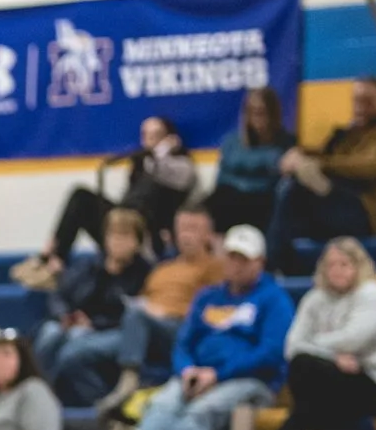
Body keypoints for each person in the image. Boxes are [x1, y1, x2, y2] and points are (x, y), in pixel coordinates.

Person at [108, 223, 295, 430]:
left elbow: (270, 353)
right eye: (232, 257)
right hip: (200, 372)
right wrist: (187, 370)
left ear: (259, 262)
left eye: (244, 259)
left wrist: (217, 375)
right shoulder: (208, 297)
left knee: (204, 410)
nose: (236, 265)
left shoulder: (274, 299)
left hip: (251, 381)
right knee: (165, 401)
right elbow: (184, 342)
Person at [15, 115, 194, 286]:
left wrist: (162, 152)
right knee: (81, 196)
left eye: (156, 136)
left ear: (170, 138)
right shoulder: (140, 165)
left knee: (132, 211)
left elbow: (161, 171)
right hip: (122, 222)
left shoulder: (181, 166)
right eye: (146, 135)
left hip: (147, 234)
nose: (149, 140)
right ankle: (54, 259)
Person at [269, 235, 376, 430]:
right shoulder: (314, 298)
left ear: (358, 266)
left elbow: (353, 339)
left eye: (344, 264)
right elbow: (291, 347)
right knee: (302, 365)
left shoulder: (371, 294)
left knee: (308, 369)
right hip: (327, 378)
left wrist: (314, 347)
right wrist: (332, 357)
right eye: (331, 265)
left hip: (366, 379)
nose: (337, 271)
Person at [267, 75, 376, 272]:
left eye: (367, 101)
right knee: (288, 193)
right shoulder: (350, 134)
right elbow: (327, 154)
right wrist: (300, 154)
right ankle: (288, 272)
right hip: (339, 205)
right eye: (356, 100)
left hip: (364, 213)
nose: (360, 107)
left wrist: (318, 164)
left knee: (295, 192)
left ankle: (273, 268)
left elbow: (366, 166)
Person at [93, 206, 225, 413]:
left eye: (193, 229)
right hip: (144, 328)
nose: (186, 235)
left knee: (137, 316)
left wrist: (170, 312)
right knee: (77, 351)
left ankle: (128, 381)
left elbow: (219, 310)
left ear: (208, 235)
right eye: (182, 229)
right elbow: (141, 300)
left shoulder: (216, 268)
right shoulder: (162, 268)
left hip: (181, 329)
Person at [34, 207, 153, 406]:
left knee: (73, 342)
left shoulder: (144, 274)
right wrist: (64, 315)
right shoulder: (89, 266)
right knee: (49, 333)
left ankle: (99, 401)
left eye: (125, 237)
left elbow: (135, 315)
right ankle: (39, 392)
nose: (118, 242)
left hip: (111, 330)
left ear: (137, 242)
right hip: (72, 321)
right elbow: (59, 294)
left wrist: (94, 324)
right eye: (114, 235)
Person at [206, 85, 293, 236]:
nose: (257, 117)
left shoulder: (286, 142)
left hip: (265, 199)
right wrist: (266, 163)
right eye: (252, 111)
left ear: (273, 113)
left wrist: (243, 167)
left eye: (262, 112)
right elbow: (223, 178)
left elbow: (280, 176)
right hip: (231, 198)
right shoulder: (232, 141)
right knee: (216, 201)